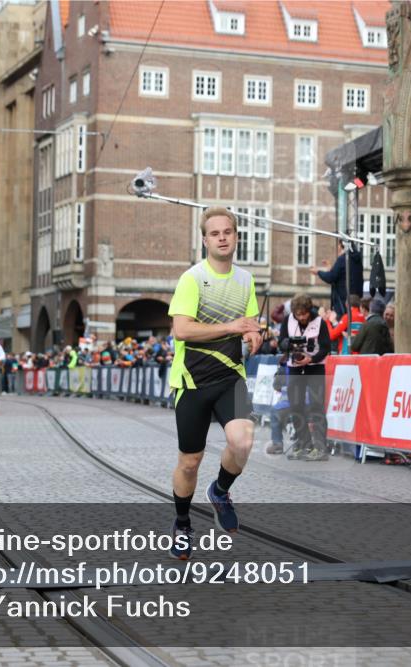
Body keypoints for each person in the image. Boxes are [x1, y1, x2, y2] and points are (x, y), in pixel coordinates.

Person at [167, 206, 262, 559]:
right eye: (215, 233)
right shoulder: (192, 279)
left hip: (229, 378)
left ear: (236, 236)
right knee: (190, 461)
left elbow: (249, 322)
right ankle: (182, 522)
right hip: (192, 381)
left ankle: (220, 491)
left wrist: (255, 335)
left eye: (228, 232)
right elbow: (181, 329)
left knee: (243, 441)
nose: (222, 238)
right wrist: (231, 327)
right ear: (205, 240)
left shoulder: (246, 280)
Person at [276, 293, 332, 461]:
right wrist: (286, 344)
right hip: (294, 368)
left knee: (316, 406)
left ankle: (321, 448)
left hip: (315, 367)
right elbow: (281, 342)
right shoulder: (288, 320)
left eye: (303, 314)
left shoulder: (319, 322)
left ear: (309, 311)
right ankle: (304, 443)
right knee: (296, 406)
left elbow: (326, 347)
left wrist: (311, 358)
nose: (301, 318)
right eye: (297, 315)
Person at [310, 239, 363, 318]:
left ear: (342, 246)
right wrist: (330, 269)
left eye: (338, 245)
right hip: (355, 299)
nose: (337, 247)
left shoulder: (342, 259)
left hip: (343, 300)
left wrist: (318, 272)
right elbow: (342, 276)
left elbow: (331, 277)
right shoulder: (356, 260)